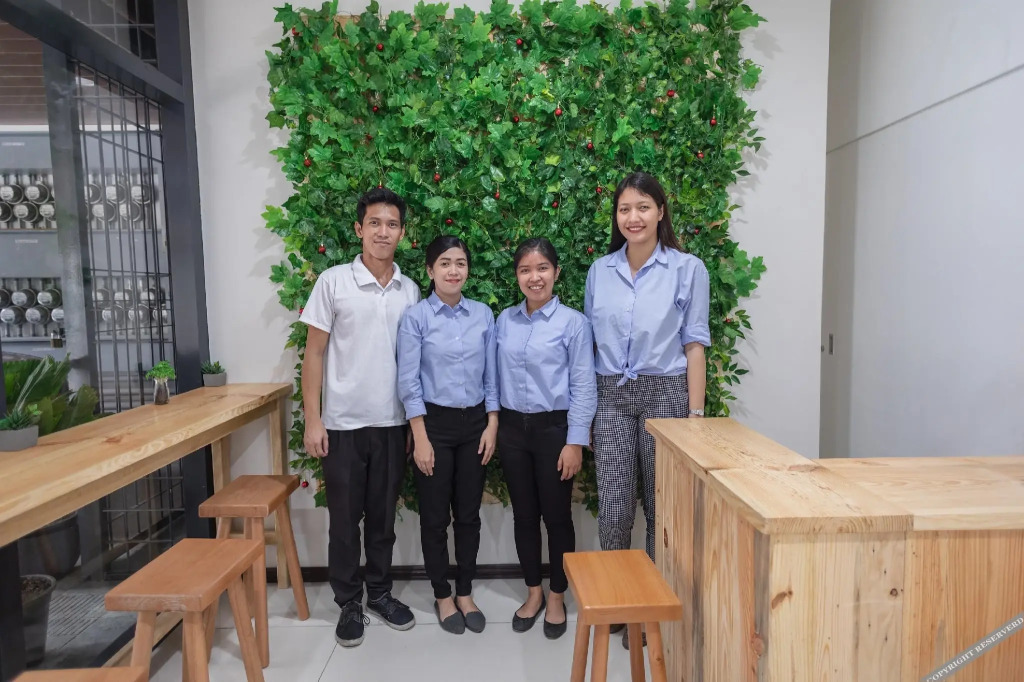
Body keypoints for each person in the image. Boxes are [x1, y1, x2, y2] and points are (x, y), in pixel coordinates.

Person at [584, 171, 711, 648]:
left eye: (642, 207)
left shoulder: (687, 269)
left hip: (666, 394)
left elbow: (695, 346)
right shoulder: (600, 271)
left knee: (662, 509)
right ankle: (618, 602)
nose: (633, 217)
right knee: (614, 508)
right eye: (624, 209)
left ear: (660, 211)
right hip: (611, 395)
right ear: (616, 216)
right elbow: (590, 347)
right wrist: (587, 412)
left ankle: (652, 608)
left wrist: (694, 419)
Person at [299, 187, 419, 648]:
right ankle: (349, 602)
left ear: (402, 233)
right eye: (374, 223)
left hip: (392, 424)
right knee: (345, 522)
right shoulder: (333, 282)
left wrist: (414, 424)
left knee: (384, 519)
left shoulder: (410, 290)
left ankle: (380, 593)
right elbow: (313, 354)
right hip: (343, 426)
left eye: (392, 224)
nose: (383, 232)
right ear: (359, 229)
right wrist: (314, 419)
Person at [397, 235, 499, 635]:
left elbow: (492, 376)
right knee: (435, 516)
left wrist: (492, 423)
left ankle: (465, 591)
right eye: (444, 263)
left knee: (469, 515)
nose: (453, 270)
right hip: (433, 425)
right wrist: (420, 437)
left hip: (475, 424)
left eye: (460, 263)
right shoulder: (416, 318)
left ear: (467, 269)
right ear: (429, 270)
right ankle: (442, 594)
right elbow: (408, 381)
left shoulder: (483, 315)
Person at [495, 238, 597, 640]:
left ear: (556, 272)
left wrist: (575, 441)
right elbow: (493, 377)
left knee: (556, 518)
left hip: (555, 431)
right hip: (512, 431)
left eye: (541, 269)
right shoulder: (505, 321)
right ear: (517, 276)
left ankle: (557, 595)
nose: (534, 277)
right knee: (524, 516)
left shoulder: (574, 323)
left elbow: (584, 386)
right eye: (525, 270)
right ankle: (533, 592)